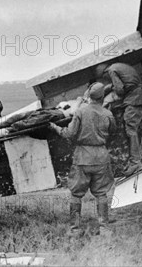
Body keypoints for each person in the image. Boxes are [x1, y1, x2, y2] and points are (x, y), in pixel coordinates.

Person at [50, 82, 116, 235]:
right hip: (101, 156)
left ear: (89, 96)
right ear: (102, 96)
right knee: (101, 194)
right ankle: (104, 228)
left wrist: (54, 127)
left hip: (82, 157)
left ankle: (75, 229)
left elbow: (69, 134)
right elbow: (113, 131)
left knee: (76, 194)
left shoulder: (80, 112)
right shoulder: (108, 114)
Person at [95, 62, 142, 176]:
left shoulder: (111, 71)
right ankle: (139, 160)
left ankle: (136, 162)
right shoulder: (117, 66)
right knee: (133, 129)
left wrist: (110, 88)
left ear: (104, 73)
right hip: (138, 95)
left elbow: (120, 89)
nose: (106, 79)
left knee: (131, 130)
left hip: (135, 98)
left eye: (104, 78)